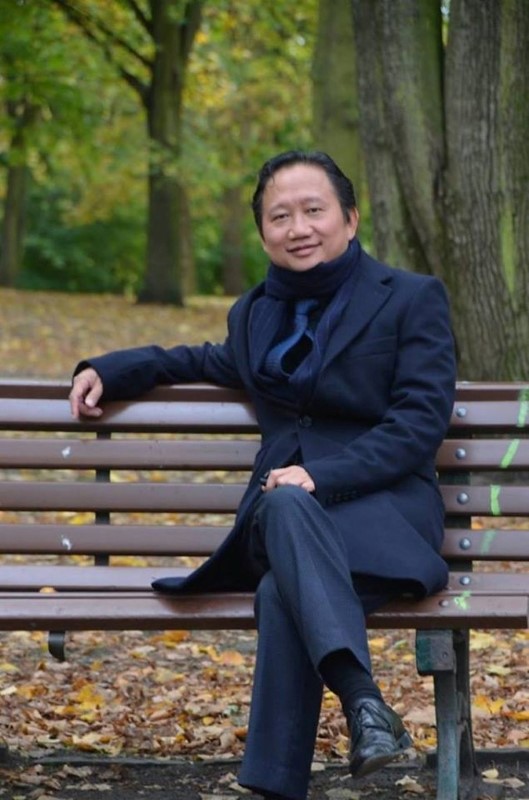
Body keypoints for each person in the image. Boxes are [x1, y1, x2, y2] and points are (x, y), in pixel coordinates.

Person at [69, 150, 456, 800]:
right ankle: (365, 705)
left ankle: (284, 779)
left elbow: (418, 424)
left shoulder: (410, 298)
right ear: (262, 233)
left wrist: (320, 477)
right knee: (280, 508)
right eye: (280, 216)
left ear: (349, 218)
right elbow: (200, 358)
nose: (297, 227)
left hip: (381, 518)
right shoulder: (254, 314)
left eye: (313, 210)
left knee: (282, 592)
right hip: (283, 518)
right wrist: (113, 368)